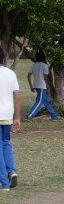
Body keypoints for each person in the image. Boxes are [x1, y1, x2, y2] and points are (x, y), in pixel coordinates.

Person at [0, 51, 21, 190]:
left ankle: (4, 183)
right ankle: (12, 171)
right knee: (6, 143)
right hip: (7, 114)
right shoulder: (10, 73)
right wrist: (18, 117)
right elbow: (17, 97)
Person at [25, 51, 59, 121]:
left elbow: (28, 75)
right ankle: (30, 115)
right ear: (44, 58)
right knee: (39, 101)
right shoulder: (45, 66)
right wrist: (48, 85)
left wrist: (31, 85)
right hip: (42, 86)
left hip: (36, 85)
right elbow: (45, 77)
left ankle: (54, 115)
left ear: (36, 58)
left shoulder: (33, 65)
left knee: (46, 100)